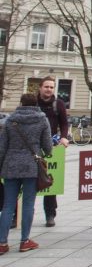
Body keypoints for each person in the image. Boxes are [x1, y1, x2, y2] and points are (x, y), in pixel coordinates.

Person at [0, 94, 53, 254]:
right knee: (28, 204)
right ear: (35, 104)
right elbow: (48, 146)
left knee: (8, 205)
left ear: (21, 103)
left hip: (11, 164)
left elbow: (2, 146)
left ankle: (2, 243)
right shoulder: (42, 119)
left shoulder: (10, 120)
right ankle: (25, 241)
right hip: (31, 165)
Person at [36, 76, 68, 227]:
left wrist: (63, 137)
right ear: (40, 88)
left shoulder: (58, 104)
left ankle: (50, 214)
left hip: (51, 145)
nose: (49, 89)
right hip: (33, 146)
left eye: (51, 87)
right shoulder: (33, 103)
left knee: (50, 180)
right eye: (46, 87)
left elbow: (64, 123)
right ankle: (17, 214)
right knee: (25, 180)